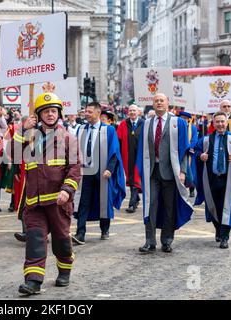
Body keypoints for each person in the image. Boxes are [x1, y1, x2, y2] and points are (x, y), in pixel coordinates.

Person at [13, 92, 81, 295]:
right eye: (46, 111)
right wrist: (21, 130)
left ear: (58, 113)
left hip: (59, 202)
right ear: (39, 115)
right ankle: (33, 281)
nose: (50, 114)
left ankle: (64, 270)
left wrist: (67, 190)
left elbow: (75, 168)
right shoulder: (30, 135)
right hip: (34, 202)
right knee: (34, 240)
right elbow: (11, 154)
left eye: (53, 111)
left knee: (61, 240)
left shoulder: (68, 138)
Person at [136, 93, 193, 254]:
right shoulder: (146, 124)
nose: (159, 102)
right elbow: (142, 148)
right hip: (152, 171)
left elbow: (185, 149)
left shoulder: (178, 123)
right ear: (152, 104)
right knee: (150, 205)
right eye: (156, 101)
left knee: (169, 207)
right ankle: (150, 241)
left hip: (171, 172)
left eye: (162, 100)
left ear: (168, 103)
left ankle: (167, 240)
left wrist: (182, 171)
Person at [194, 112, 231, 249]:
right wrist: (201, 155)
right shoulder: (206, 140)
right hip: (211, 178)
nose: (220, 124)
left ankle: (225, 236)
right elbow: (195, 151)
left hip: (228, 178)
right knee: (213, 206)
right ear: (213, 124)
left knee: (227, 207)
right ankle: (218, 229)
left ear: (226, 123)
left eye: (222, 121)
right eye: (217, 122)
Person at [72, 102, 126, 245]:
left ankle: (104, 229)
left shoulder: (108, 130)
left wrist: (110, 168)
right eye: (85, 111)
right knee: (83, 201)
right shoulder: (81, 129)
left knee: (103, 201)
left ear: (98, 113)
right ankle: (80, 233)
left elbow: (114, 151)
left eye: (89, 112)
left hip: (102, 172)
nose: (86, 114)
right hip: (85, 171)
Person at [117, 104, 143, 213]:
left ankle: (132, 203)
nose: (132, 112)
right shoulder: (123, 124)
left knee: (135, 178)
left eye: (134, 111)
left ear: (138, 112)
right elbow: (118, 140)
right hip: (127, 156)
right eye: (130, 111)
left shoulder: (144, 124)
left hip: (140, 156)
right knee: (131, 177)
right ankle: (136, 198)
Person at [178, 111, 198, 198]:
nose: (183, 120)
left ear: (188, 120)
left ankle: (192, 189)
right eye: (181, 118)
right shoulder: (176, 127)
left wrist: (189, 147)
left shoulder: (192, 128)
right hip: (179, 152)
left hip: (189, 152)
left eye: (185, 119)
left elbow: (194, 139)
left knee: (191, 171)